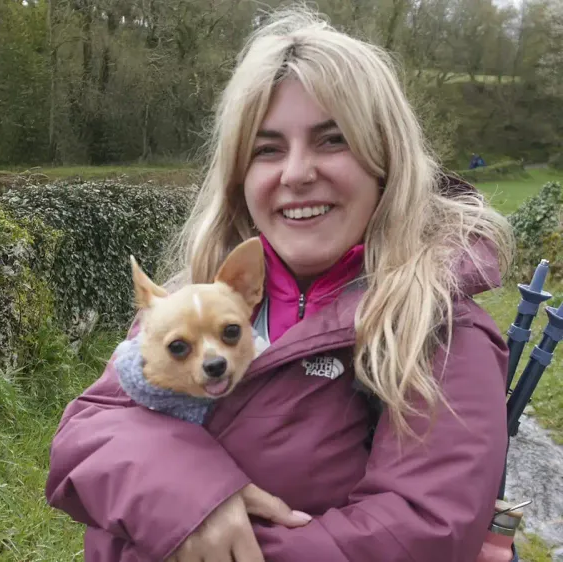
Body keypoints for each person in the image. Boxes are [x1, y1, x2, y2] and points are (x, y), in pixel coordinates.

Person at [44, 8, 515, 562]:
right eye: (267, 149)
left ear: (386, 161)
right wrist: (191, 499)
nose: (295, 174)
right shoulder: (196, 301)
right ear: (240, 177)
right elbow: (87, 433)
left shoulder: (440, 330)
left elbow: (419, 530)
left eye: (333, 140)